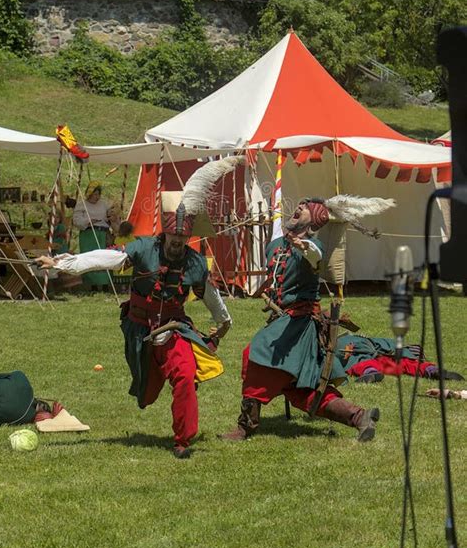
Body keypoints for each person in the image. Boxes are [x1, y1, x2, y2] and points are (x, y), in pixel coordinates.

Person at [37, 157, 242, 458]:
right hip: (139, 331)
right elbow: (107, 258)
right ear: (165, 234)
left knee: (185, 375)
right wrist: (62, 262)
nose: (178, 241)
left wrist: (224, 323)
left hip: (175, 331)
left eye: (184, 237)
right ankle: (150, 390)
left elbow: (211, 297)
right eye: (174, 236)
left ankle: (183, 440)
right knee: (145, 394)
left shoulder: (194, 262)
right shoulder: (144, 249)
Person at [222, 197, 389, 444]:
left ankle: (246, 427)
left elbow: (315, 256)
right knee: (302, 390)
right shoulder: (276, 245)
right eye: (299, 204)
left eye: (306, 208)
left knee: (253, 354)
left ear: (312, 224)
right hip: (284, 323)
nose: (298, 206)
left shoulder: (314, 246)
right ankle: (360, 417)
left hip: (298, 325)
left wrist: (305, 247)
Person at [336, 333, 464, 384]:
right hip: (379, 350)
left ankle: (371, 373)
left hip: (364, 350)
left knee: (364, 362)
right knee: (405, 363)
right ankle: (431, 369)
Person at [72, 181, 113, 290]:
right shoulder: (82, 204)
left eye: (98, 194)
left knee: (103, 258)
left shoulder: (103, 204)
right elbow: (76, 220)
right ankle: (92, 285)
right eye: (94, 194)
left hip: (102, 234)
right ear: (89, 194)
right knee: (90, 258)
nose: (97, 197)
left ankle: (105, 284)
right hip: (88, 234)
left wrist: (111, 216)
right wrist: (88, 221)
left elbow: (111, 215)